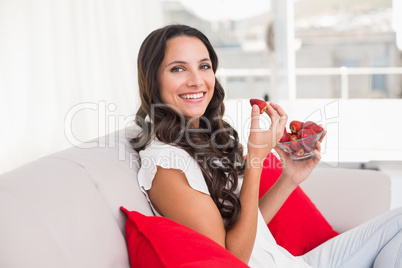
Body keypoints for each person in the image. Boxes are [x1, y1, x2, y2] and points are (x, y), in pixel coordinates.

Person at [130, 24, 402, 267]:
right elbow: (232, 258)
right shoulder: (166, 164)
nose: (197, 80)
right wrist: (256, 162)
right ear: (152, 79)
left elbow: (247, 228)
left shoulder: (199, 138)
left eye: (204, 66)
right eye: (178, 68)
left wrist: (289, 179)